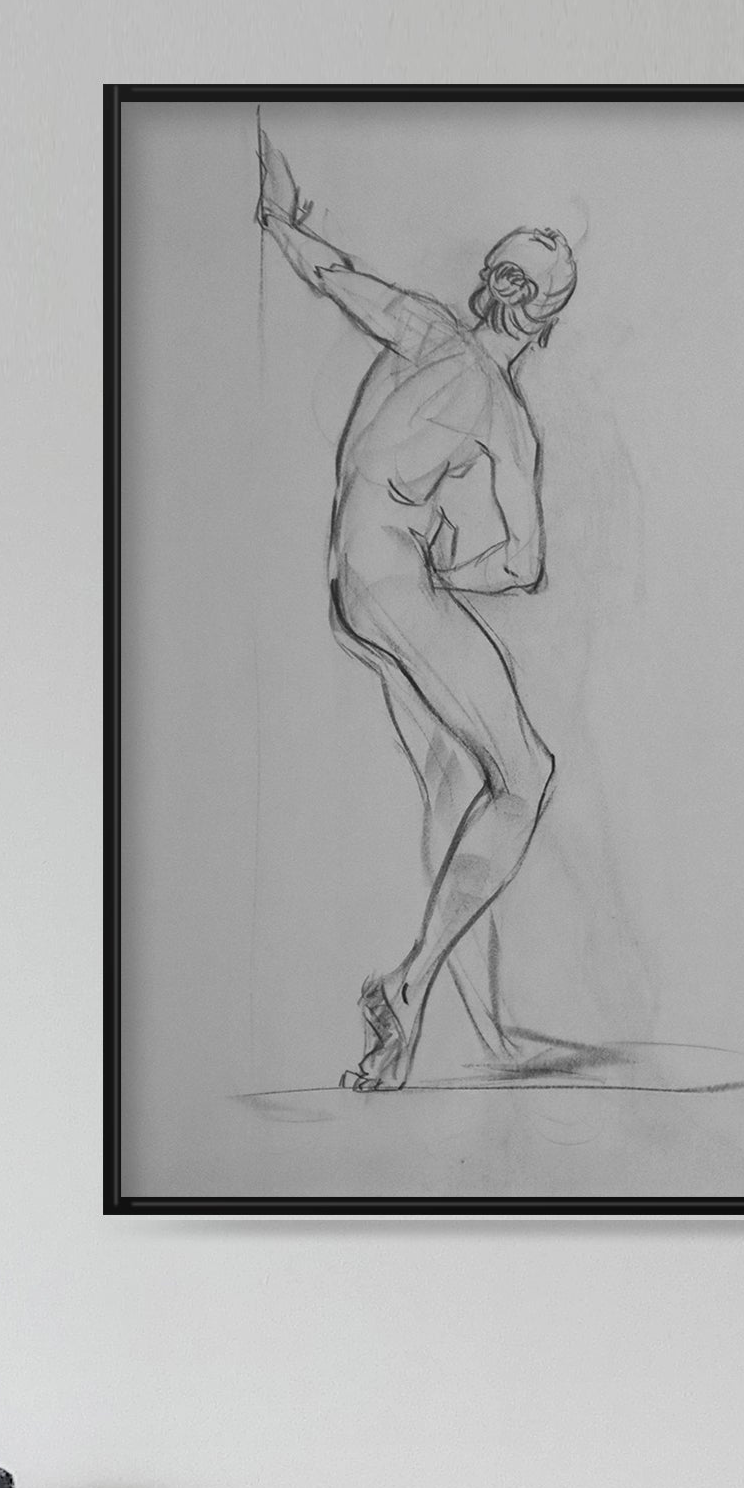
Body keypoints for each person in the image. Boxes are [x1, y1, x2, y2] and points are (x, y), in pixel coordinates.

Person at [254, 121, 590, 1092]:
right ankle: (408, 987)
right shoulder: (505, 417)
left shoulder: (425, 327)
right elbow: (523, 563)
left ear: (490, 286)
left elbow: (327, 271)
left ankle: (474, 1025)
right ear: (547, 322)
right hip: (394, 583)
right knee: (525, 774)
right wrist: (453, 577)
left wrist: (277, 216)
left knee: (454, 782)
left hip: (352, 583)